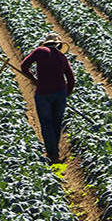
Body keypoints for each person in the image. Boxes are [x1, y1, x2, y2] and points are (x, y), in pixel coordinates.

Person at [21, 33, 74, 163]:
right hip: (59, 93)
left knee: (46, 123)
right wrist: (65, 94)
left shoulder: (39, 51)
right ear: (57, 45)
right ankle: (55, 151)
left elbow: (24, 66)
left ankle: (51, 152)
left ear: (46, 43)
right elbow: (71, 79)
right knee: (57, 122)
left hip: (43, 93)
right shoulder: (61, 56)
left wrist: (33, 79)